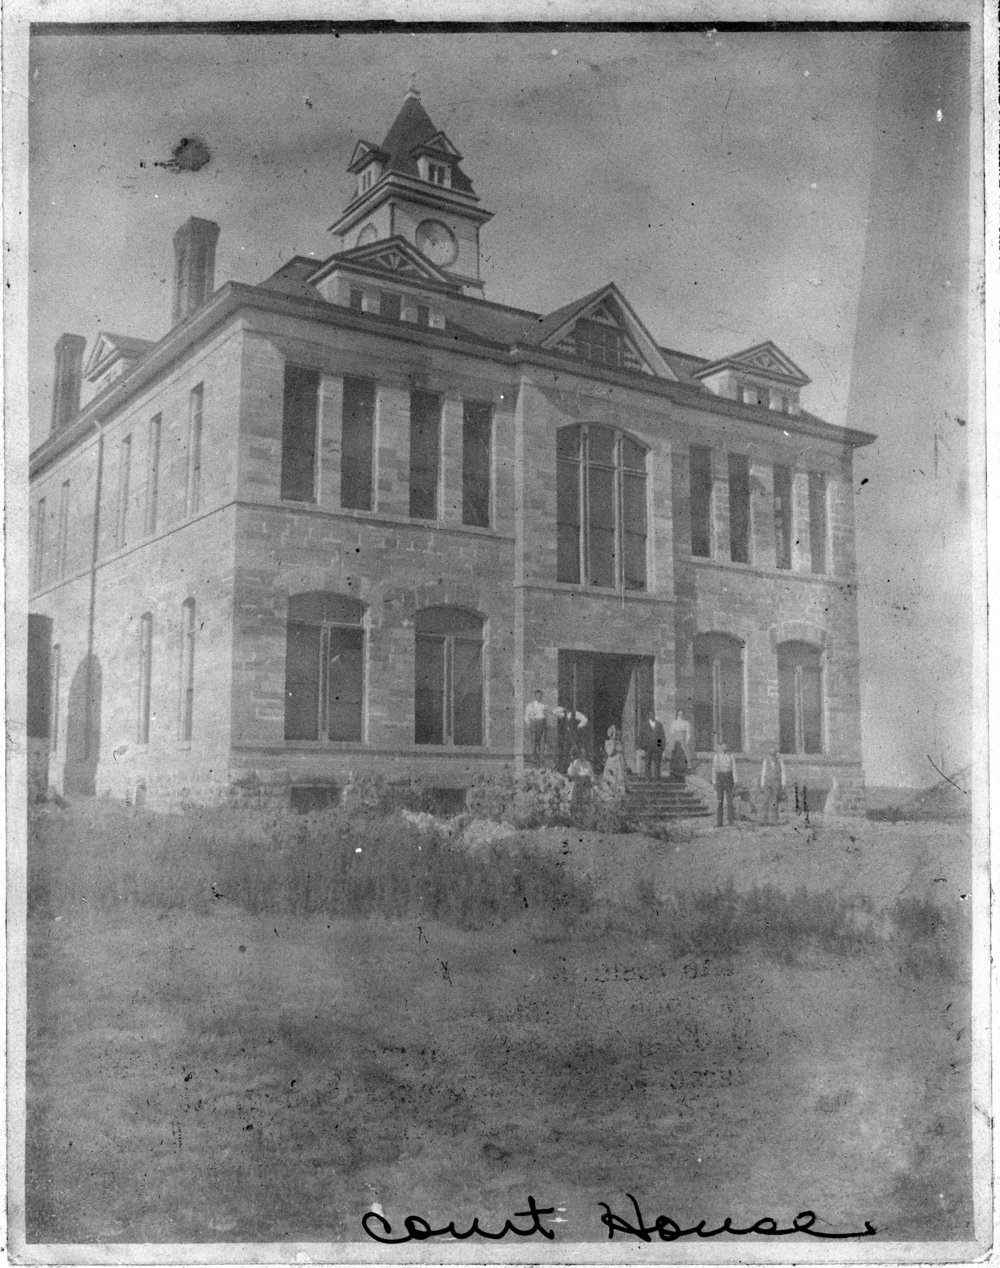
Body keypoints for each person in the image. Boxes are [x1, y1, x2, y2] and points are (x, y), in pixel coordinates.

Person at [555, 704, 588, 772]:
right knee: (566, 751)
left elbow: (585, 720)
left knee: (576, 751)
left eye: (568, 707)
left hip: (575, 735)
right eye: (566, 707)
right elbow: (555, 712)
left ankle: (579, 769)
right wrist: (562, 709)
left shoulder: (576, 713)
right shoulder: (564, 714)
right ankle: (565, 768)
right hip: (568, 735)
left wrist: (578, 726)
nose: (567, 708)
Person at [712, 740, 738, 827]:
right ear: (720, 747)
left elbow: (734, 768)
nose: (725, 748)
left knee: (730, 800)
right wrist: (714, 782)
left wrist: (736, 781)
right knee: (719, 801)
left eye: (726, 746)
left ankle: (731, 821)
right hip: (720, 778)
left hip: (728, 778)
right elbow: (714, 770)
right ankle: (719, 822)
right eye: (723, 746)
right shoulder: (716, 756)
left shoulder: (731, 756)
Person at [760, 747, 787, 824]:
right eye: (770, 754)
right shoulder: (766, 761)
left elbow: (783, 773)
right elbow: (763, 772)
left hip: (776, 783)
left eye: (773, 754)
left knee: (774, 801)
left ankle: (773, 820)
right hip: (767, 783)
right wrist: (762, 784)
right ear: (768, 755)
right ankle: (763, 819)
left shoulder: (780, 762)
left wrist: (783, 784)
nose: (772, 756)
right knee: (765, 800)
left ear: (776, 755)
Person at [567, 747, 595, 817]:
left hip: (587, 783)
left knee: (587, 800)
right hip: (579, 784)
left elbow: (591, 774)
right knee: (578, 800)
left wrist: (592, 781)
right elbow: (571, 773)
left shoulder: (588, 763)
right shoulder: (576, 762)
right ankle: (577, 814)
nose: (583, 755)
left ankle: (586, 814)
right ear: (579, 755)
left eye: (584, 754)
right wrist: (571, 764)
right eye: (582, 754)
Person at [524, 689, 547, 763]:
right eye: (538, 695)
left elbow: (545, 715)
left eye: (540, 695)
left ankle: (541, 758)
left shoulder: (544, 705)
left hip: (542, 723)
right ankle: (533, 757)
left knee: (542, 741)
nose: (539, 696)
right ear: (535, 696)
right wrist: (529, 725)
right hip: (534, 724)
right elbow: (526, 716)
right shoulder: (530, 705)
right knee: (534, 741)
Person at [643, 711, 667, 780]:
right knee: (647, 763)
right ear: (648, 715)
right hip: (648, 747)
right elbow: (642, 736)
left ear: (654, 715)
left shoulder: (659, 724)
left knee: (657, 763)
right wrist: (643, 746)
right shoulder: (645, 725)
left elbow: (661, 736)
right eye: (650, 714)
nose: (652, 716)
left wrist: (660, 746)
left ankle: (657, 779)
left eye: (653, 714)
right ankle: (648, 778)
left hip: (657, 747)